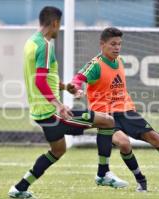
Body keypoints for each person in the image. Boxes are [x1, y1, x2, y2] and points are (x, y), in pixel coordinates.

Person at [70, 27, 159, 192]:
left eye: (119, 44)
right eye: (113, 44)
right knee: (124, 143)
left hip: (127, 111)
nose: (117, 47)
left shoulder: (119, 60)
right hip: (106, 116)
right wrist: (76, 88)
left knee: (156, 139)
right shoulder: (95, 64)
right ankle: (141, 180)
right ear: (102, 44)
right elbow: (78, 78)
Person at [8, 7, 126, 199]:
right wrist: (59, 105)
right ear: (55, 23)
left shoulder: (31, 42)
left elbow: (43, 78)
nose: (59, 28)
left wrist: (65, 88)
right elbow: (39, 81)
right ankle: (103, 173)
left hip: (39, 111)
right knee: (107, 121)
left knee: (58, 150)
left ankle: (20, 187)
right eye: (59, 25)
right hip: (52, 112)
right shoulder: (45, 46)